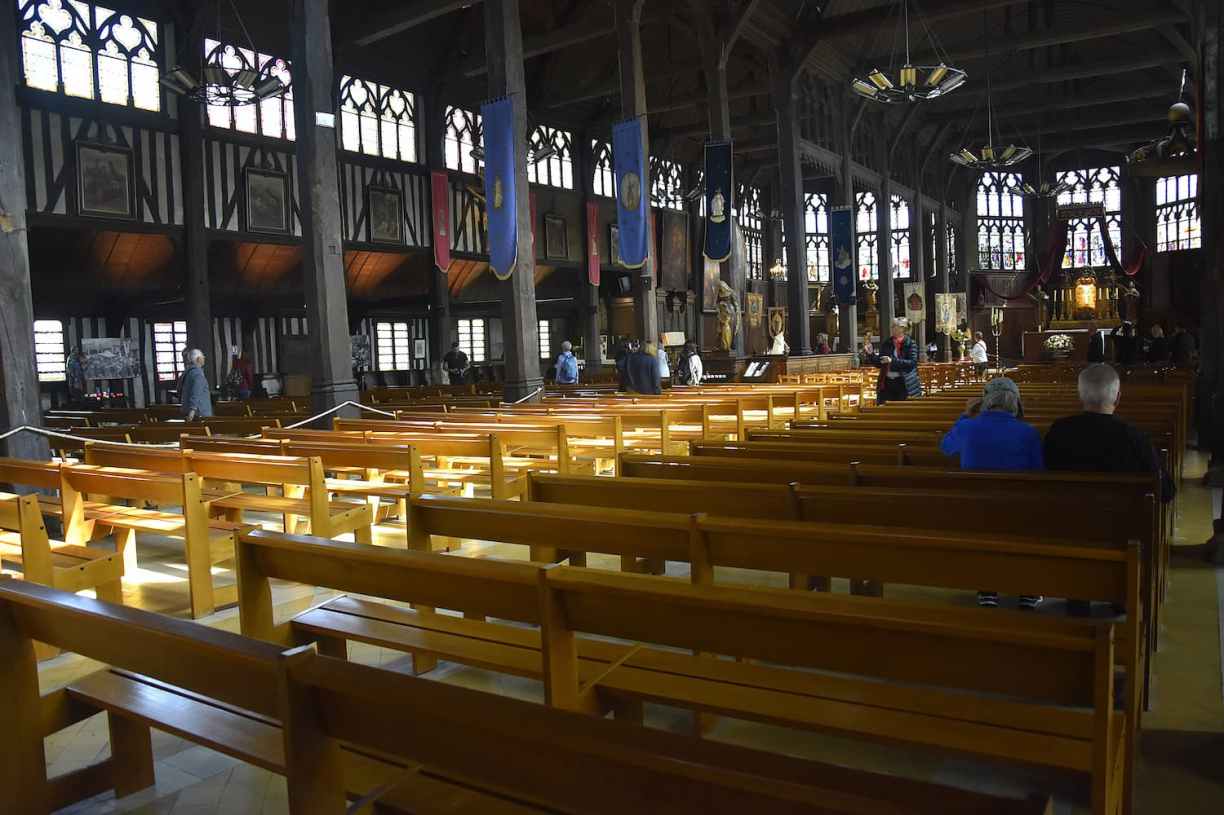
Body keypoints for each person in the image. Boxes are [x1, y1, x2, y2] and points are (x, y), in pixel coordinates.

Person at [1043, 363, 1175, 611]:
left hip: (1068, 529)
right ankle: (1121, 596)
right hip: (1122, 534)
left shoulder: (1059, 432)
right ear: (1118, 396)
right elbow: (1165, 490)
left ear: (1080, 395)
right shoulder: (1134, 437)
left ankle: (1077, 596)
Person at [939, 377, 1044, 610]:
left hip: (975, 510)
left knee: (985, 523)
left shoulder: (968, 428)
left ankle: (987, 589)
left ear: (985, 401)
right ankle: (1027, 589)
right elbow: (1039, 473)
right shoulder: (1028, 433)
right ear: (1016, 402)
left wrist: (965, 414)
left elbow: (946, 448)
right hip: (1019, 512)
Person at [862, 319, 921, 404]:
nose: (892, 328)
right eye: (892, 326)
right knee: (885, 412)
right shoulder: (887, 343)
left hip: (904, 383)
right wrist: (871, 354)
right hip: (887, 383)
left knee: (903, 412)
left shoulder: (910, 344)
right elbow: (879, 363)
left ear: (902, 328)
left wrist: (891, 361)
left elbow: (912, 363)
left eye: (894, 326)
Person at [179, 349, 213, 421]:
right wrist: (192, 411)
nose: (204, 358)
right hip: (199, 414)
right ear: (198, 359)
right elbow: (196, 392)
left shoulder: (187, 372)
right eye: (202, 357)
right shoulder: (198, 374)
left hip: (187, 410)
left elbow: (179, 389)